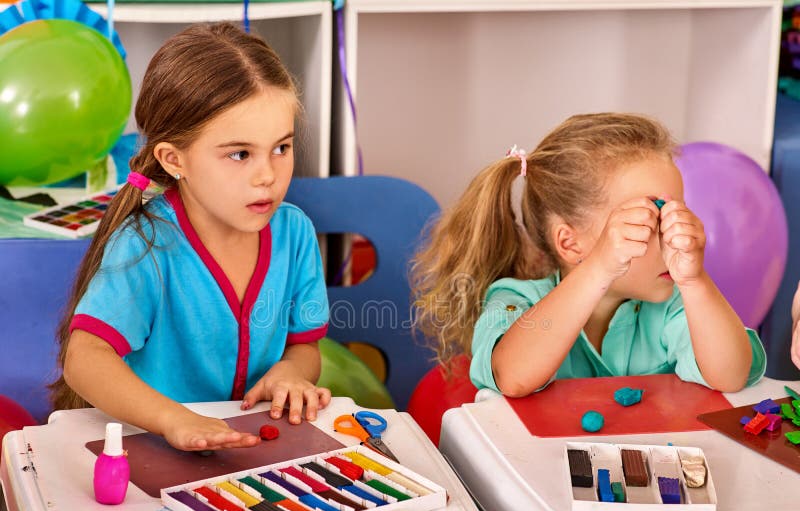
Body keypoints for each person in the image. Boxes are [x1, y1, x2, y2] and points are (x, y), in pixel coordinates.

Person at [50, 23, 331, 450]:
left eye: (281, 148)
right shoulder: (146, 242)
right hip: (149, 446)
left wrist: (292, 372)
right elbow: (84, 359)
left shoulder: (295, 233)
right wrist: (173, 420)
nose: (268, 176)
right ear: (174, 159)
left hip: (251, 452)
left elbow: (305, 345)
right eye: (240, 154)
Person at [412, 113, 766, 397]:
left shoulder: (675, 304)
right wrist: (600, 268)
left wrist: (696, 281)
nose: (673, 239)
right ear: (570, 244)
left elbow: (730, 376)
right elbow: (513, 376)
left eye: (677, 215)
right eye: (647, 220)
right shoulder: (514, 299)